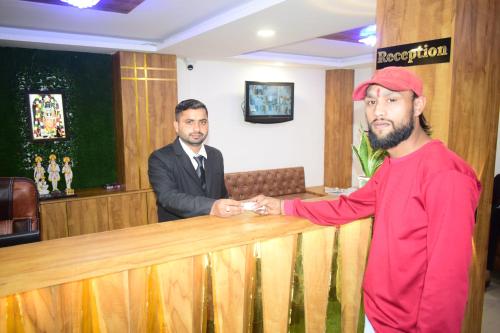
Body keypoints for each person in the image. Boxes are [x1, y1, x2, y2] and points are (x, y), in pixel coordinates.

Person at [252, 67, 481, 332]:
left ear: (418, 105)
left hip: (408, 325)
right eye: (371, 101)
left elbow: (447, 281)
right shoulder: (390, 166)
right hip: (376, 314)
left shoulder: (447, 175)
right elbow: (350, 206)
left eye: (392, 100)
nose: (378, 111)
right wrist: (284, 205)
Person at [148, 99, 242, 222]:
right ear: (176, 126)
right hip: (178, 233)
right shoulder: (160, 158)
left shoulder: (216, 155)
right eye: (189, 122)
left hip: (215, 228)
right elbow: (168, 197)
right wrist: (211, 207)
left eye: (203, 122)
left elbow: (221, 195)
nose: (197, 128)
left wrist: (242, 206)